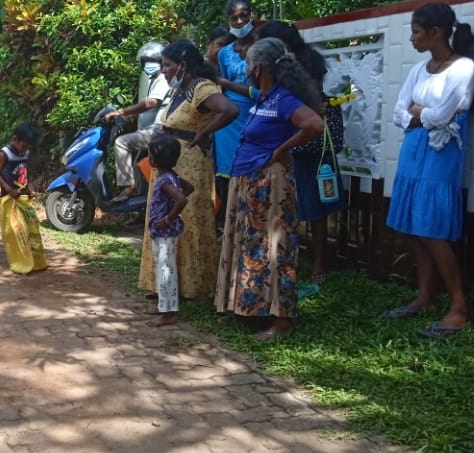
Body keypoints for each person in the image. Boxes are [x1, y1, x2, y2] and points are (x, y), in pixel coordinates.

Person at [382, 3, 474, 339]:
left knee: (431, 227)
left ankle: (459, 306)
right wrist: (422, 114)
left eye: (417, 31)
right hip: (414, 149)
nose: (412, 37)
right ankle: (425, 296)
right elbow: (399, 112)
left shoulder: (463, 68)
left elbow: (443, 117)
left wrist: (419, 113)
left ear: (436, 32)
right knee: (414, 228)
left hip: (442, 152)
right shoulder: (420, 69)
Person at [214, 38, 324, 340]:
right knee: (248, 246)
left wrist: (282, 148)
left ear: (258, 67)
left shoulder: (284, 99)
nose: (246, 69)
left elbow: (314, 124)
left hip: (271, 184)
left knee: (274, 248)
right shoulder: (264, 97)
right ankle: (248, 309)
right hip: (249, 178)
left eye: (248, 64)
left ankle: (281, 320)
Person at [136, 40, 239, 300]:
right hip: (170, 163)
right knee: (163, 216)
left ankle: (192, 286)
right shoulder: (178, 89)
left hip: (191, 164)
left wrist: (204, 131)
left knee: (187, 221)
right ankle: (166, 282)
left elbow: (230, 110)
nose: (164, 71)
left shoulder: (202, 89)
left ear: (182, 65)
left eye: (167, 65)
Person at [259, 21, 347, 285]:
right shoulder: (274, 64)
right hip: (287, 138)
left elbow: (312, 100)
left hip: (309, 143)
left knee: (316, 204)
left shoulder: (308, 61)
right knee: (284, 203)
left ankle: (319, 260)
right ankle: (286, 255)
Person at [215, 0, 260, 235]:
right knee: (227, 177)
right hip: (227, 123)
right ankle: (229, 227)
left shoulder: (264, 48)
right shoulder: (224, 53)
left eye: (243, 16)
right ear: (229, 21)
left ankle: (250, 225)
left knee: (252, 174)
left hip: (258, 117)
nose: (239, 22)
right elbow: (222, 90)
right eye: (234, 18)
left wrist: (227, 84)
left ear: (252, 16)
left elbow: (267, 90)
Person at [105, 41, 170, 202]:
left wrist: (122, 111)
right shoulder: (153, 79)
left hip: (157, 131)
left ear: (161, 62)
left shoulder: (162, 78)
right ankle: (141, 210)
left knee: (122, 142)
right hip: (149, 130)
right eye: (146, 62)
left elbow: (151, 103)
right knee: (139, 168)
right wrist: (130, 116)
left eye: (153, 62)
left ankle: (128, 186)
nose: (149, 65)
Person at [144, 135, 195, 327]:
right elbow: (189, 188)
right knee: (163, 267)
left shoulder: (165, 181)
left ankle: (169, 313)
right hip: (163, 232)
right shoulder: (172, 177)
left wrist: (167, 218)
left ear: (153, 160)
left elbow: (182, 199)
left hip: (165, 232)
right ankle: (162, 305)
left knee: (166, 270)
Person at [0, 122, 48, 274]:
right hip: (9, 197)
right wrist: (9, 189)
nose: (26, 149)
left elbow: (23, 173)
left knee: (32, 228)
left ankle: (36, 262)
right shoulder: (5, 153)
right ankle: (21, 263)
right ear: (16, 139)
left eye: (28, 146)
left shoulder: (25, 152)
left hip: (23, 196)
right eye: (24, 145)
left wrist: (29, 189)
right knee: (17, 230)